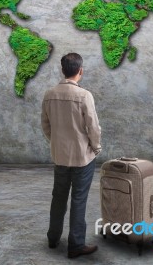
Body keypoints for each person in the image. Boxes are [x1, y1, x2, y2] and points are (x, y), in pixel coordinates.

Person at [41, 52, 102, 259]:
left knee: (58, 197)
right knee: (78, 199)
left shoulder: (49, 94)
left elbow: (45, 125)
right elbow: (93, 127)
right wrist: (96, 147)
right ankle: (76, 244)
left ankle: (53, 238)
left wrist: (56, 142)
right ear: (80, 71)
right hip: (82, 156)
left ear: (62, 70)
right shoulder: (84, 95)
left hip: (60, 155)